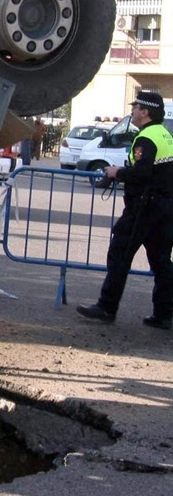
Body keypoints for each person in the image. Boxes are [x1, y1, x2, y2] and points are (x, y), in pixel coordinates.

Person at [77, 89, 173, 330]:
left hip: (144, 209)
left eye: (135, 108)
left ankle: (106, 307)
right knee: (161, 262)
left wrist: (116, 172)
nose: (131, 112)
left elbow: (142, 173)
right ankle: (164, 314)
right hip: (164, 208)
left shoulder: (146, 138)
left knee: (119, 254)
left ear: (145, 112)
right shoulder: (165, 135)